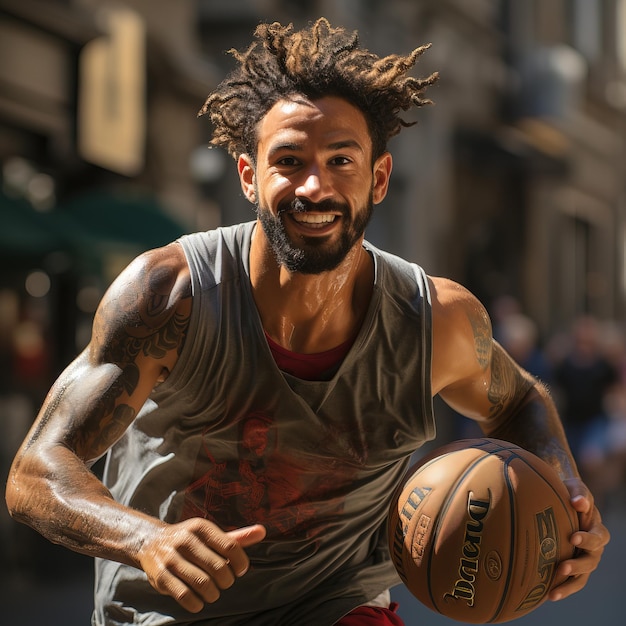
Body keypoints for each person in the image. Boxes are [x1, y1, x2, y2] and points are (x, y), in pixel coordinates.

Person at [5, 18, 609, 626]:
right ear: (249, 176)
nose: (314, 186)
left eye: (341, 160)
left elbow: (517, 400)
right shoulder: (172, 297)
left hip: (338, 605)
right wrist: (143, 539)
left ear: (377, 178)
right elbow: (35, 471)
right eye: (289, 161)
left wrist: (566, 493)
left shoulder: (437, 321)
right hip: (172, 614)